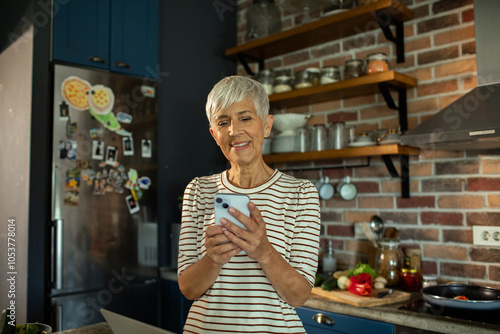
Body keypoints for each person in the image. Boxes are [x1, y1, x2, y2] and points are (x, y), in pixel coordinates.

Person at [177, 76, 321, 333]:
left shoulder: (301, 194)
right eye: (223, 122)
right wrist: (213, 259)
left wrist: (264, 251)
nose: (234, 130)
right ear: (214, 133)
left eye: (245, 118)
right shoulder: (199, 190)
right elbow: (188, 289)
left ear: (266, 125)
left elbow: (298, 296)